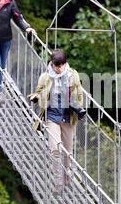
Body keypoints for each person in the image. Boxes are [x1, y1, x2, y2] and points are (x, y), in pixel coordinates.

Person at [29, 49, 84, 193]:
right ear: (52, 64)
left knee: (67, 152)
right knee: (55, 149)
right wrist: (36, 96)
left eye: (61, 65)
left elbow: (79, 94)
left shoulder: (73, 76)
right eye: (56, 66)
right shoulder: (46, 77)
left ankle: (67, 178)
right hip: (52, 116)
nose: (58, 69)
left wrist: (78, 108)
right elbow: (39, 91)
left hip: (67, 117)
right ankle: (58, 182)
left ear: (65, 64)